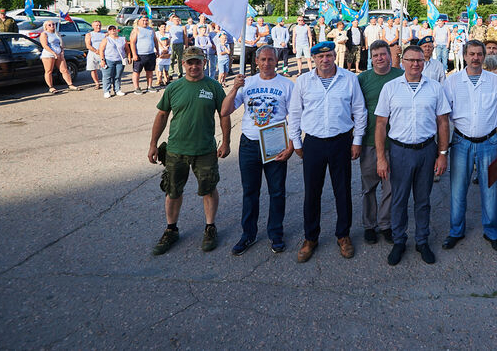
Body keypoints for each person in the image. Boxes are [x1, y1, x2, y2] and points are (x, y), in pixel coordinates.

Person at [287, 41, 367, 263]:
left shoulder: (349, 79)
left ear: (334, 56)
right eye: (320, 57)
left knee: (342, 191)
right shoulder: (303, 81)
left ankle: (343, 235)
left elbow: (360, 111)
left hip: (341, 141)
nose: (325, 60)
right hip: (313, 143)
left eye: (329, 56)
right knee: (312, 192)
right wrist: (296, 142)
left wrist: (357, 140)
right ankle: (310, 238)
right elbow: (294, 113)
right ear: (313, 59)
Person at [147, 46, 230, 256]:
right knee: (172, 191)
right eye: (190, 62)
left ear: (204, 62)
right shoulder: (174, 88)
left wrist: (226, 142)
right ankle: (171, 229)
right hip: (176, 149)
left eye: (198, 61)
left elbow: (224, 115)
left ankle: (210, 227)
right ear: (183, 64)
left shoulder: (213, 87)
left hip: (205, 149)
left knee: (209, 189)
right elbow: (162, 116)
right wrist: (153, 144)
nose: (194, 66)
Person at [375, 44, 451, 265]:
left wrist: (442, 153)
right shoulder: (390, 88)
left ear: (424, 62)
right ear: (402, 62)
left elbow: (442, 122)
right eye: (411, 60)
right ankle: (399, 241)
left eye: (419, 60)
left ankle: (422, 241)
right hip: (399, 151)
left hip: (427, 150)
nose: (416, 64)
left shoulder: (435, 88)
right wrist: (381, 157)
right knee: (398, 199)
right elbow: (381, 124)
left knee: (423, 199)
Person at [221, 46, 295, 256]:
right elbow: (225, 110)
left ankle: (275, 233)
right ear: (256, 61)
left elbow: (297, 118)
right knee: (250, 192)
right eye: (262, 59)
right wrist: (234, 88)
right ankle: (248, 234)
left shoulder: (286, 85)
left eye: (270, 59)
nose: (266, 63)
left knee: (277, 191)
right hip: (250, 144)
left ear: (276, 60)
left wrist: (291, 145)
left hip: (275, 143)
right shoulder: (247, 83)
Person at [441, 40, 497, 252]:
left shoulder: (494, 81)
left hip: (490, 143)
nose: (475, 58)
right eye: (471, 54)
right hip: (461, 142)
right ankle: (456, 231)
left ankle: (492, 232)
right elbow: (443, 117)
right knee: (458, 189)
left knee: (490, 189)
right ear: (464, 56)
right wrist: (442, 150)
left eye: (479, 54)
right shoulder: (452, 82)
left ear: (484, 56)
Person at [356, 39, 401, 245]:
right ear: (371, 59)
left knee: (390, 187)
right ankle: (369, 225)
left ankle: (385, 224)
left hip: (396, 142)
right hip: (369, 141)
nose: (380, 58)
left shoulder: (401, 76)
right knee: (369, 186)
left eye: (383, 54)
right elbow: (353, 109)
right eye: (375, 56)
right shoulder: (363, 79)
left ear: (390, 56)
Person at [39, 20, 79, 94]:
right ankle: (51, 87)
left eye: (53, 24)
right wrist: (53, 53)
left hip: (59, 53)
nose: (52, 26)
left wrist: (62, 51)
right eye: (49, 25)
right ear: (46, 26)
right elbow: (45, 45)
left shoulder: (56, 33)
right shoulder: (44, 34)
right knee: (49, 71)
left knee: (64, 69)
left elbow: (61, 44)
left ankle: (70, 84)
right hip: (48, 54)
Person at [129, 15, 157, 94]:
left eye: (146, 20)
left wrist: (157, 50)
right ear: (139, 21)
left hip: (150, 54)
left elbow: (155, 41)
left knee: (150, 71)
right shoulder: (136, 30)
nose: (145, 22)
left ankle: (149, 86)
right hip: (140, 55)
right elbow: (132, 43)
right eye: (143, 20)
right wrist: (134, 54)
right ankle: (137, 88)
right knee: (137, 72)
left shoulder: (151, 30)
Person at [99, 25, 129, 97]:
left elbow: (127, 49)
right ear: (108, 31)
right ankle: (106, 91)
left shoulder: (122, 39)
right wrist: (102, 60)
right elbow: (101, 50)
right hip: (109, 60)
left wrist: (128, 57)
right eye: (110, 29)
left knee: (117, 76)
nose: (113, 31)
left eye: (114, 29)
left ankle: (117, 89)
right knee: (107, 76)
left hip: (120, 60)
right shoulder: (106, 39)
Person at [167, 15, 188, 79]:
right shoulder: (169, 27)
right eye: (175, 20)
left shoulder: (182, 27)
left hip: (180, 44)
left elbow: (185, 36)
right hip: (172, 44)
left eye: (178, 20)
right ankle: (170, 73)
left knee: (180, 59)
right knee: (171, 59)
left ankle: (180, 73)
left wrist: (186, 45)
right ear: (172, 20)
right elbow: (167, 36)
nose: (177, 21)